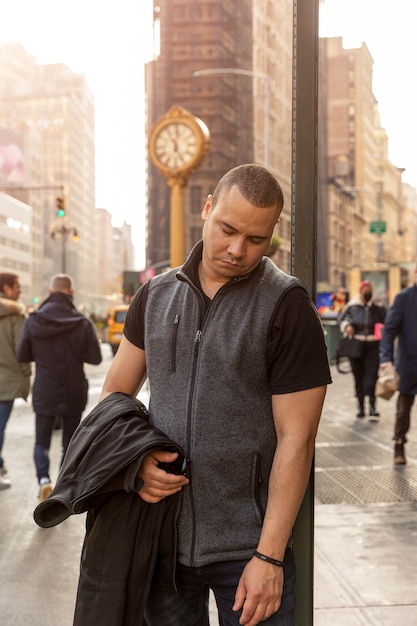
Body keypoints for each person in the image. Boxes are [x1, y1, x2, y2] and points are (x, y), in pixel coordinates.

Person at [99, 163, 331, 626]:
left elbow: (297, 440)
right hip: (161, 536)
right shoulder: (155, 295)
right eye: (228, 229)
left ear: (272, 236)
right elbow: (115, 397)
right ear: (207, 208)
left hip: (249, 549)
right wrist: (135, 465)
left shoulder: (287, 307)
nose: (237, 249)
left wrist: (269, 557)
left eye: (256, 239)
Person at [16, 273, 102, 501]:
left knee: (42, 441)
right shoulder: (83, 323)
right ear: (71, 293)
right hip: (74, 390)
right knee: (70, 443)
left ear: (51, 292)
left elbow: (21, 355)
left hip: (45, 388)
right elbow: (95, 358)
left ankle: (43, 481)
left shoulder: (33, 321)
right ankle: (62, 490)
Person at [379, 269, 417, 464]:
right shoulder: (404, 298)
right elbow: (389, 330)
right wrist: (386, 358)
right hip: (409, 365)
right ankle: (399, 444)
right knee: (403, 410)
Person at [0, 272, 31, 490]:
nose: (19, 290)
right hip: (7, 381)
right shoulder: (14, 314)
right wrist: (26, 374)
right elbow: (23, 352)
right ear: (7, 288)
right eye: (17, 286)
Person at [338, 280, 386, 419]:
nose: (367, 292)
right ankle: (360, 407)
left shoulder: (378, 307)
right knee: (358, 376)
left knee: (371, 376)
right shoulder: (352, 307)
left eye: (369, 289)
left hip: (373, 345)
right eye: (365, 289)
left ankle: (372, 405)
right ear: (360, 291)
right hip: (356, 346)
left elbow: (386, 323)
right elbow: (341, 319)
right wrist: (347, 326)